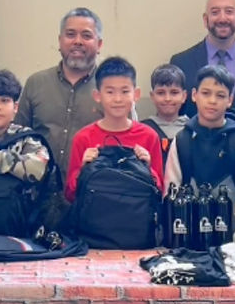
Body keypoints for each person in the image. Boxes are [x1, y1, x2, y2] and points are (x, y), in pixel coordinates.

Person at [16, 8, 104, 177]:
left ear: (99, 44)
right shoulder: (36, 83)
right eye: (70, 34)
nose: (77, 41)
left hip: (91, 192)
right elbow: (18, 138)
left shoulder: (110, 89)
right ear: (60, 40)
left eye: (86, 36)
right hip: (38, 191)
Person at [64, 56, 163, 202]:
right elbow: (70, 194)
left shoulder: (149, 136)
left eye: (125, 91)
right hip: (94, 221)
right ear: (97, 96)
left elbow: (159, 192)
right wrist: (83, 170)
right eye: (110, 92)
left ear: (136, 95)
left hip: (136, 221)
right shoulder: (83, 138)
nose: (117, 99)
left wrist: (148, 169)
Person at [163, 64, 235, 197]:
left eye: (220, 95)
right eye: (206, 93)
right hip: (189, 216)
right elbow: (170, 193)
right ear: (194, 95)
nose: (212, 101)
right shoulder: (182, 140)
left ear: (230, 100)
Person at [141, 63, 189, 165]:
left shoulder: (192, 129)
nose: (167, 99)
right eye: (161, 93)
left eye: (174, 92)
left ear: (184, 96)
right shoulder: (143, 130)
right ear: (152, 96)